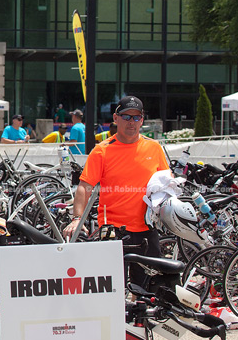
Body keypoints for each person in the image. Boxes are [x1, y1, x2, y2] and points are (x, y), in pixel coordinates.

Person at [63, 96, 170, 289]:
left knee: (147, 290)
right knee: (111, 289)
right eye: (126, 116)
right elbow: (84, 186)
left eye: (136, 117)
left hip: (146, 228)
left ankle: (140, 320)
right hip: (113, 230)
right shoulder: (102, 151)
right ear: (115, 118)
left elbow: (166, 184)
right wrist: (77, 218)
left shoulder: (154, 148)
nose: (131, 122)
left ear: (142, 120)